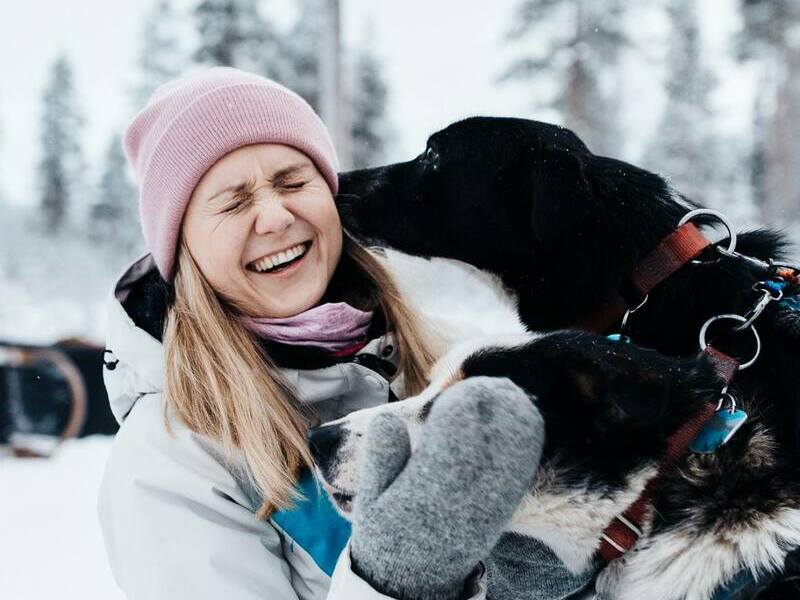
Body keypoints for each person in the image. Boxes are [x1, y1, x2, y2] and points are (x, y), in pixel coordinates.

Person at [97, 67, 584, 600]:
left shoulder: (454, 356)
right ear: (183, 248)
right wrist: (394, 577)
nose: (275, 217)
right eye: (234, 202)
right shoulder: (170, 456)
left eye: (292, 182)